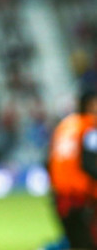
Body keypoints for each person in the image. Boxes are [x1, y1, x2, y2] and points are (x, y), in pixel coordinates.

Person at [47, 90, 97, 249]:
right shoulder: (90, 127)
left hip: (60, 197)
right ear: (90, 104)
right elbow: (90, 163)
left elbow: (48, 161)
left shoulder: (65, 125)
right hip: (82, 197)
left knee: (75, 241)